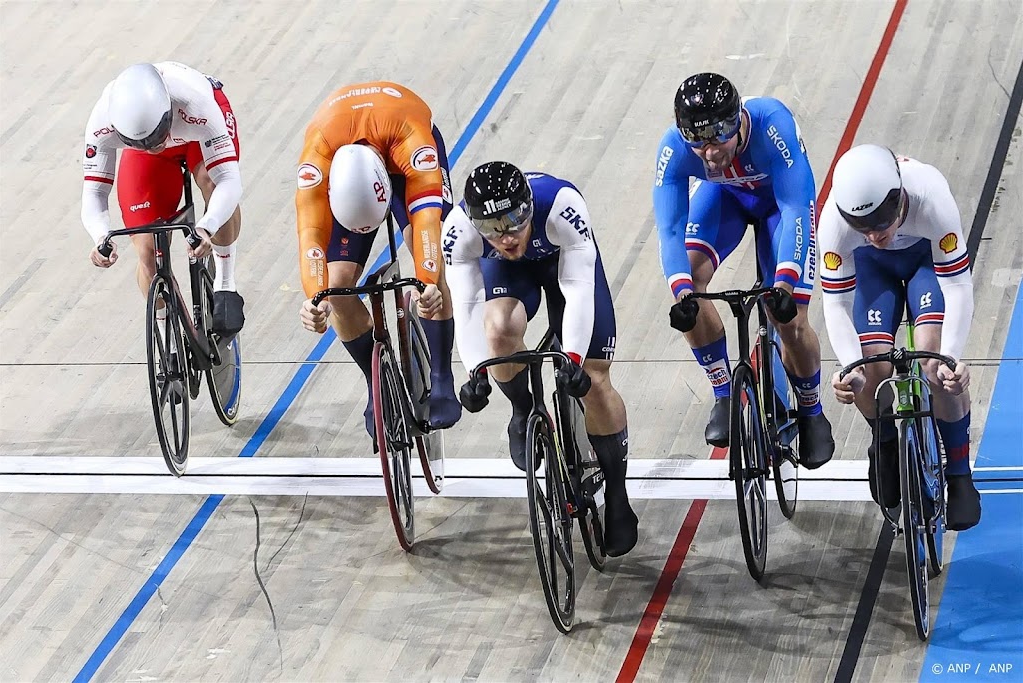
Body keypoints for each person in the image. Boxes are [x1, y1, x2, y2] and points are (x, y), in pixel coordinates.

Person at [447, 161, 639, 557]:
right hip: (507, 275)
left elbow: (580, 290)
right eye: (493, 228)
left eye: (515, 220)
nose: (507, 236)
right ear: (475, 224)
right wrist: (474, 370)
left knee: (594, 378)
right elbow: (467, 305)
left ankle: (617, 495)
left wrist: (571, 357)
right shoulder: (459, 228)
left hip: (563, 263)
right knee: (498, 329)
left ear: (529, 205)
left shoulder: (561, 205)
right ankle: (522, 410)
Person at [653, 72, 834, 468]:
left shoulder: (772, 125)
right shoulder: (674, 148)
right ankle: (723, 392)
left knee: (790, 319)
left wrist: (785, 285)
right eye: (697, 141)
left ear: (738, 120)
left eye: (720, 135)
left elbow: (796, 209)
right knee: (692, 290)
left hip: (779, 206)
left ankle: (810, 408)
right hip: (728, 200)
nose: (710, 151)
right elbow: (669, 229)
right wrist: (683, 291)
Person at [821, 144, 981, 530]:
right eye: (864, 227)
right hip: (874, 272)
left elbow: (958, 286)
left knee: (933, 364)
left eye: (881, 222)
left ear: (900, 199)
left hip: (926, 261)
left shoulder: (931, 196)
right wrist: (849, 369)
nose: (875, 235)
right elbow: (836, 304)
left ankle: (959, 476)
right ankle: (886, 441)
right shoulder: (834, 222)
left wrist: (953, 358)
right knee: (869, 367)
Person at [295, 81, 461, 442]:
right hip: (346, 159)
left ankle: (441, 375)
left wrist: (428, 280)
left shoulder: (413, 141)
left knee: (427, 259)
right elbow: (310, 235)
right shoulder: (317, 159)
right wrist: (314, 298)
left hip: (404, 153)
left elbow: (428, 223)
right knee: (337, 287)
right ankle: (376, 381)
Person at [82, 61, 245, 337]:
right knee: (147, 251)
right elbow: (94, 192)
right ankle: (167, 339)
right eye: (143, 142)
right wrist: (100, 238)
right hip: (154, 136)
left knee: (210, 180)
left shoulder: (197, 104)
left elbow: (230, 181)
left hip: (195, 130)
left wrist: (207, 226)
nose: (153, 146)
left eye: (156, 138)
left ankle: (225, 282)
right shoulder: (102, 122)